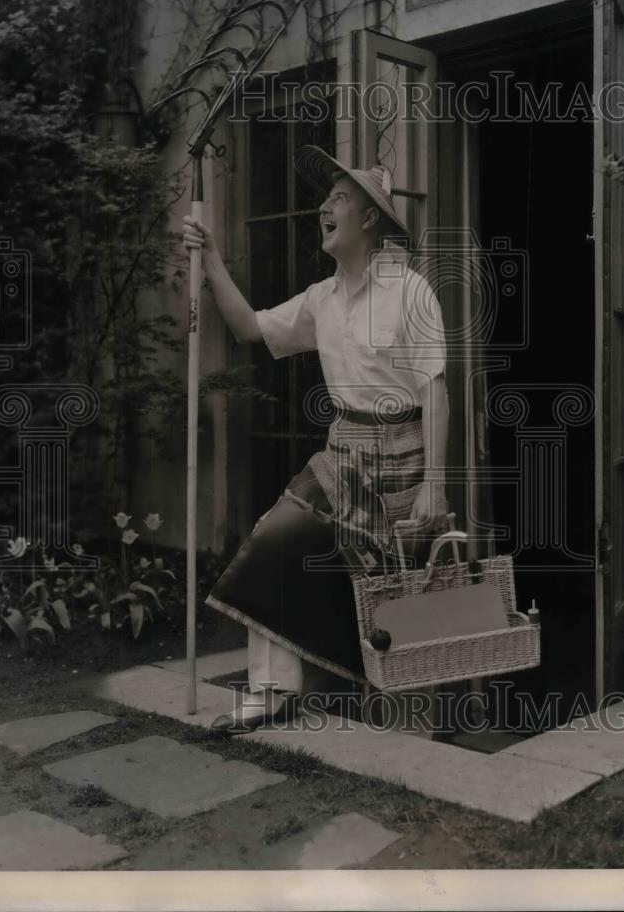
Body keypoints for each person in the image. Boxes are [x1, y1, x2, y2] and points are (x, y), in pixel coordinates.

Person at [182, 144, 449, 734]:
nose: (323, 207)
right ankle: (270, 690)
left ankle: (413, 710)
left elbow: (435, 390)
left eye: (338, 198)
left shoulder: (411, 291)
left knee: (395, 583)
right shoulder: (320, 299)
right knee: (275, 536)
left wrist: (436, 483)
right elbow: (250, 327)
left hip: (403, 454)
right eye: (325, 198)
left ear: (370, 217)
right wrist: (213, 261)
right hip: (342, 451)